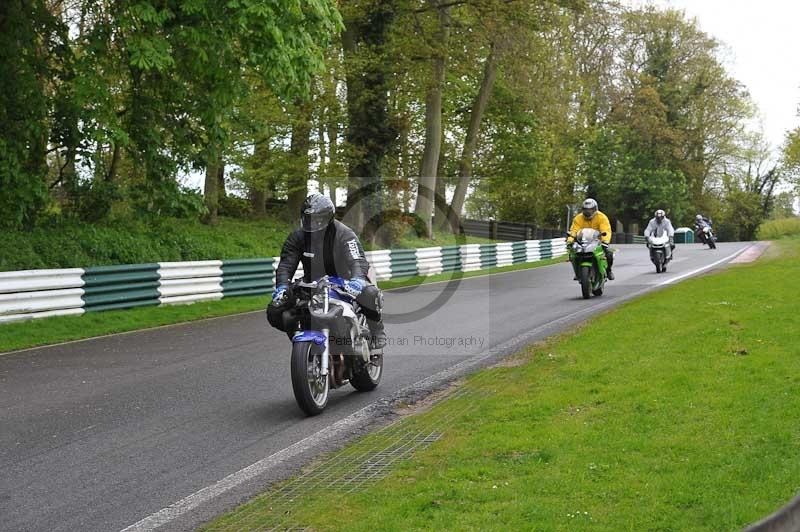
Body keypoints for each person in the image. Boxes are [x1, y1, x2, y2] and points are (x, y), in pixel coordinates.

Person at [267, 193, 386, 351]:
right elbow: (286, 265)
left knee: (370, 293)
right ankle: (302, 338)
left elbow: (357, 260)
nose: (313, 223)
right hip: (312, 283)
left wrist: (357, 279)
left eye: (318, 219)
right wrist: (282, 286)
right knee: (276, 308)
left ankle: (377, 332)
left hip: (344, 281)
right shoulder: (297, 237)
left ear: (328, 218)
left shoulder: (344, 234)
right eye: (309, 218)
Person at [567, 198, 614, 280]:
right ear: (582, 210)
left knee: (609, 253)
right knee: (572, 254)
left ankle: (608, 270)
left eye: (591, 210)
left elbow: (606, 230)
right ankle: (578, 272)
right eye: (586, 210)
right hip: (582, 241)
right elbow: (574, 230)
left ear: (595, 209)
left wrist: (605, 241)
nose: (588, 212)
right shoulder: (578, 218)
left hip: (597, 240)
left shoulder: (602, 217)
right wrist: (570, 240)